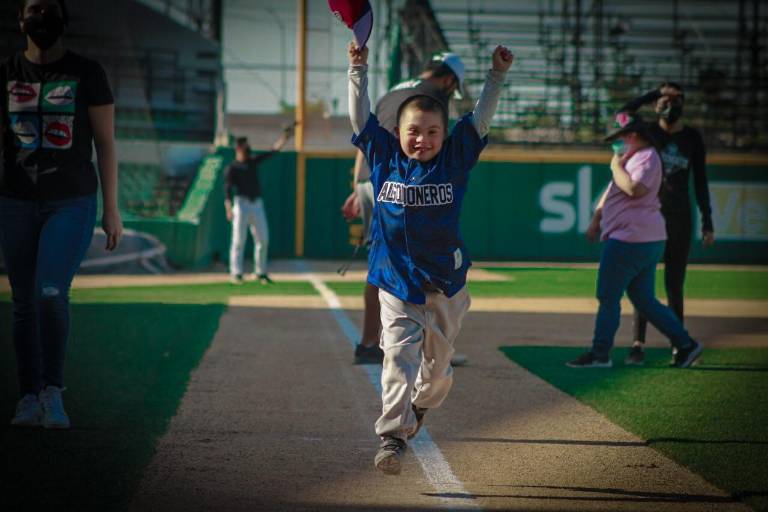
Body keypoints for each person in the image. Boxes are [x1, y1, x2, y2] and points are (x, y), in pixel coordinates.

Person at [348, 40, 513, 474]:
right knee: (397, 359)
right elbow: (361, 117)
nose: (422, 138)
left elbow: (479, 118)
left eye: (432, 131)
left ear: (445, 134)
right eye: (413, 131)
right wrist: (358, 71)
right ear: (398, 134)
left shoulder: (455, 158)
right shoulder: (384, 157)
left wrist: (496, 77)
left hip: (445, 284)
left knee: (437, 373)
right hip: (397, 281)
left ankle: (420, 409)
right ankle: (391, 437)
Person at [0, 0, 122, 429]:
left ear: (63, 20)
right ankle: (27, 396)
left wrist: (112, 209)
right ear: (20, 20)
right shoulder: (8, 72)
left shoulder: (88, 73)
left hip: (71, 200)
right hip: (14, 200)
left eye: (48, 9)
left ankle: (53, 391)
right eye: (33, 9)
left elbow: (105, 144)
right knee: (22, 302)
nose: (40, 18)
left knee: (50, 292)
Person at [341, 52, 466, 365]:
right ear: (449, 80)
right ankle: (424, 347)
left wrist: (359, 186)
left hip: (375, 180)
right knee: (406, 262)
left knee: (385, 263)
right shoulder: (430, 97)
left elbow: (366, 135)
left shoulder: (395, 90)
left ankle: (375, 341)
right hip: (400, 184)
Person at [566, 111, 702, 370]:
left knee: (607, 295)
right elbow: (615, 189)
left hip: (630, 238)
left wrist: (615, 166)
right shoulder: (633, 157)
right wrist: (597, 217)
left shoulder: (646, 157)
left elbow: (633, 189)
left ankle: (600, 353)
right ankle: (686, 345)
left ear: (633, 135)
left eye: (619, 138)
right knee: (644, 300)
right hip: (642, 238)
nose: (616, 144)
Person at [617, 83, 714, 365]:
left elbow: (701, 181)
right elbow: (623, 113)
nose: (668, 105)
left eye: (674, 99)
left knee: (674, 283)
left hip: (680, 215)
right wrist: (652, 95)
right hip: (649, 213)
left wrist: (708, 221)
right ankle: (638, 344)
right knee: (641, 281)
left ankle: (680, 345)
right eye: (664, 100)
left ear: (684, 101)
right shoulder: (650, 132)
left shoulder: (692, 138)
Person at [225, 127, 293, 285]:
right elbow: (227, 189)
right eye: (245, 146)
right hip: (240, 204)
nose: (248, 148)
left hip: (256, 203)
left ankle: (260, 272)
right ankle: (236, 273)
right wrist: (228, 208)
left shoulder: (252, 161)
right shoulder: (232, 168)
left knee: (263, 238)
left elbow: (272, 152)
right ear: (238, 148)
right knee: (238, 240)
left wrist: (285, 137)